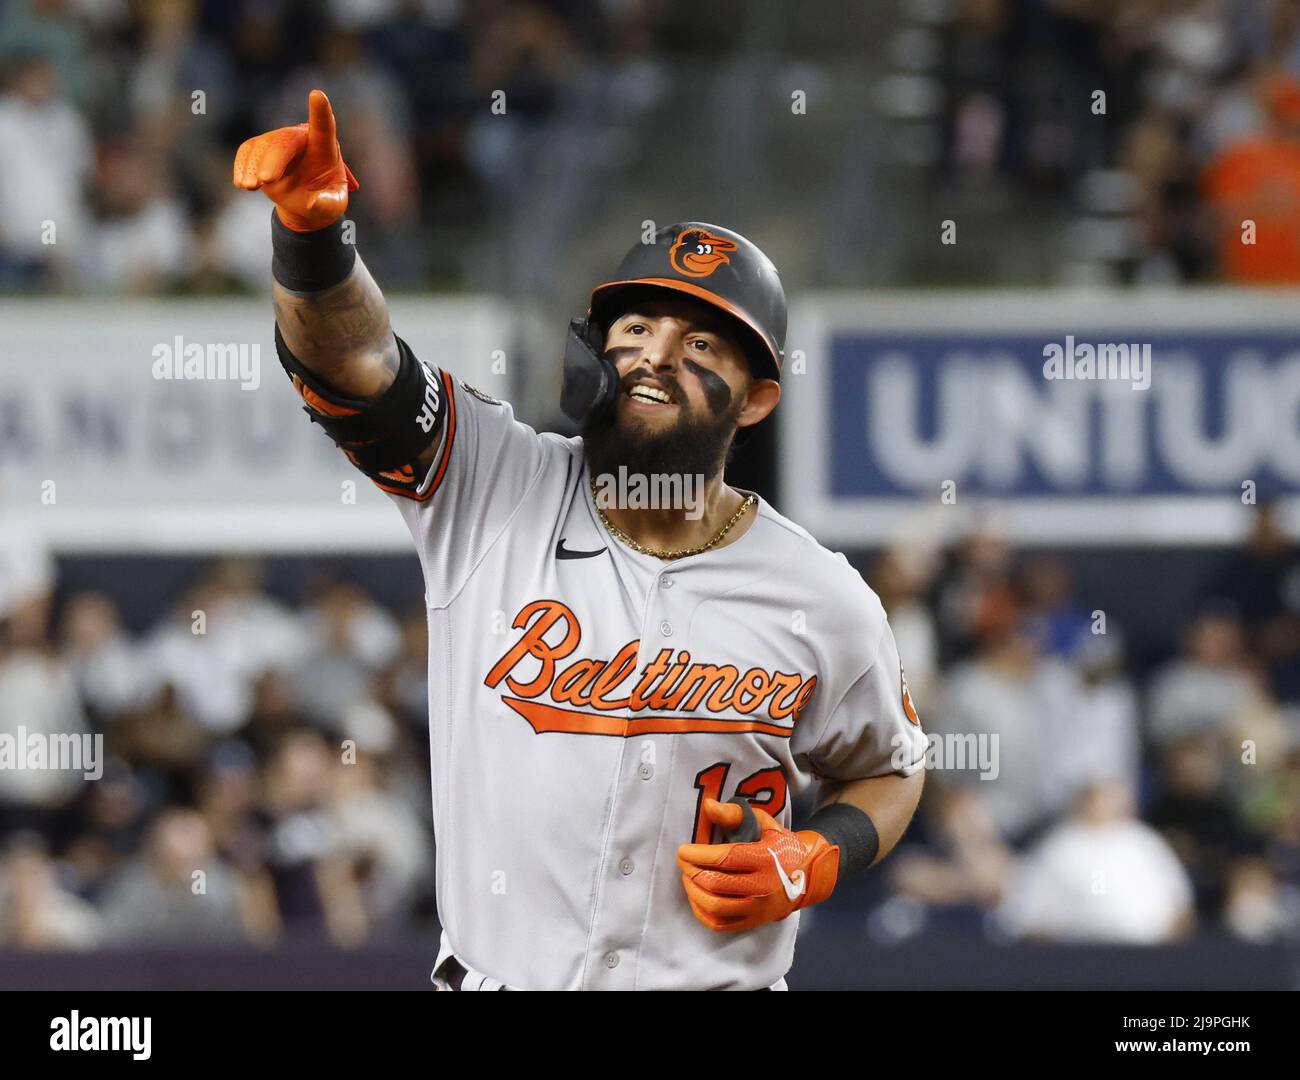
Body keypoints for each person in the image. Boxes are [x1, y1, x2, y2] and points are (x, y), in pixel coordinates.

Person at [232, 90, 926, 990]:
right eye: (636, 327)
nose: (656, 354)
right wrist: (314, 242)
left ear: (755, 397)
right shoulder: (486, 482)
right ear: (594, 352)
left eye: (702, 344)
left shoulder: (822, 596)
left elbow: (891, 770)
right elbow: (352, 360)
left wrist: (815, 859)